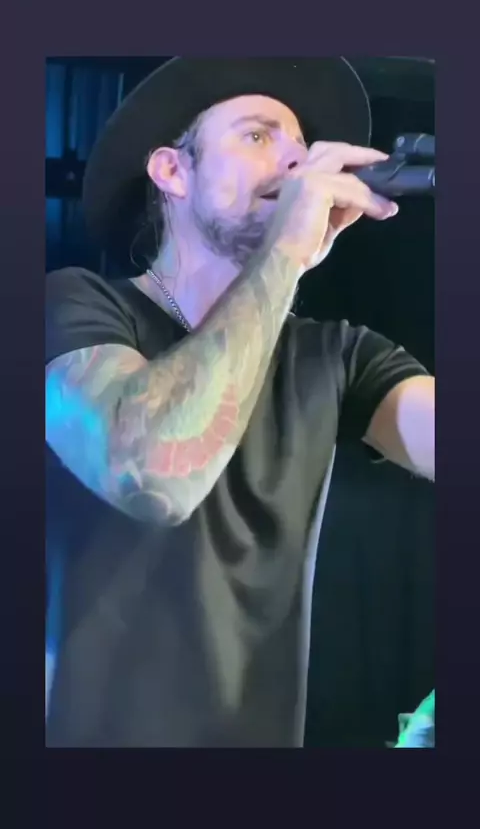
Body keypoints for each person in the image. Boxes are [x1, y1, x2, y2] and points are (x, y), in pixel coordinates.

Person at [45, 58, 434, 747]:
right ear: (172, 171)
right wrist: (288, 250)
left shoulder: (336, 354)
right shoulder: (73, 305)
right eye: (258, 135)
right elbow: (150, 472)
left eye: (301, 146)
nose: (296, 160)